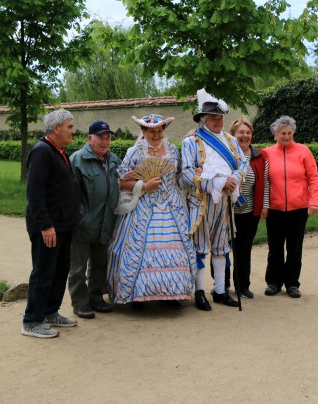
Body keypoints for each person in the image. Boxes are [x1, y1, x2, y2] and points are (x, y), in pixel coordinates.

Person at [108, 114, 196, 310]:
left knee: (177, 249)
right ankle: (138, 296)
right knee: (138, 249)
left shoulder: (173, 150)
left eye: (159, 131)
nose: (156, 135)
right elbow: (122, 182)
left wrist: (193, 176)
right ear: (144, 132)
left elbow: (180, 176)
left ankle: (171, 295)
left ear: (163, 131)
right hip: (143, 207)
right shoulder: (134, 152)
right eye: (151, 131)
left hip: (172, 207)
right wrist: (144, 185)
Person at [181, 89, 247, 311]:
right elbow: (187, 172)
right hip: (200, 202)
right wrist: (215, 183)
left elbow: (242, 165)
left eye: (220, 118)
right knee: (200, 247)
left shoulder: (230, 140)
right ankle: (199, 292)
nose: (218, 121)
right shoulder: (190, 142)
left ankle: (220, 290)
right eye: (212, 118)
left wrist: (233, 179)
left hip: (226, 201)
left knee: (221, 246)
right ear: (202, 120)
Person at [22, 108, 81, 338]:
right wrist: (45, 225)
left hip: (64, 225)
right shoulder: (42, 151)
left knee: (60, 270)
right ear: (56, 128)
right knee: (44, 272)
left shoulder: (58, 151)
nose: (73, 131)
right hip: (49, 227)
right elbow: (34, 193)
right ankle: (32, 320)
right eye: (69, 127)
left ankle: (50, 312)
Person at [68, 121, 121, 319]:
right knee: (78, 267)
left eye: (108, 137)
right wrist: (80, 217)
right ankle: (80, 303)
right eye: (101, 137)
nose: (105, 141)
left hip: (106, 222)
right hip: (83, 224)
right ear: (90, 138)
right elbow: (72, 195)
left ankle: (95, 297)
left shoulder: (114, 160)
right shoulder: (77, 160)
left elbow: (121, 184)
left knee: (100, 264)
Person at [263, 115, 318, 298]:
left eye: (289, 133)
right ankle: (273, 282)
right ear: (275, 134)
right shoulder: (267, 153)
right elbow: (243, 153)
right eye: (282, 133)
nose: (286, 136)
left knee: (295, 248)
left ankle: (292, 284)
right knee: (275, 248)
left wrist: (314, 201)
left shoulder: (304, 151)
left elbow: (313, 177)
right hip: (275, 208)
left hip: (298, 208)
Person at [224, 118, 270, 299]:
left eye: (248, 132)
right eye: (241, 132)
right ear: (233, 135)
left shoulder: (260, 156)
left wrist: (264, 206)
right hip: (226, 212)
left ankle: (243, 286)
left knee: (244, 250)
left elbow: (265, 182)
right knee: (223, 250)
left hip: (249, 212)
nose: (245, 136)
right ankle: (222, 285)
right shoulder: (226, 154)